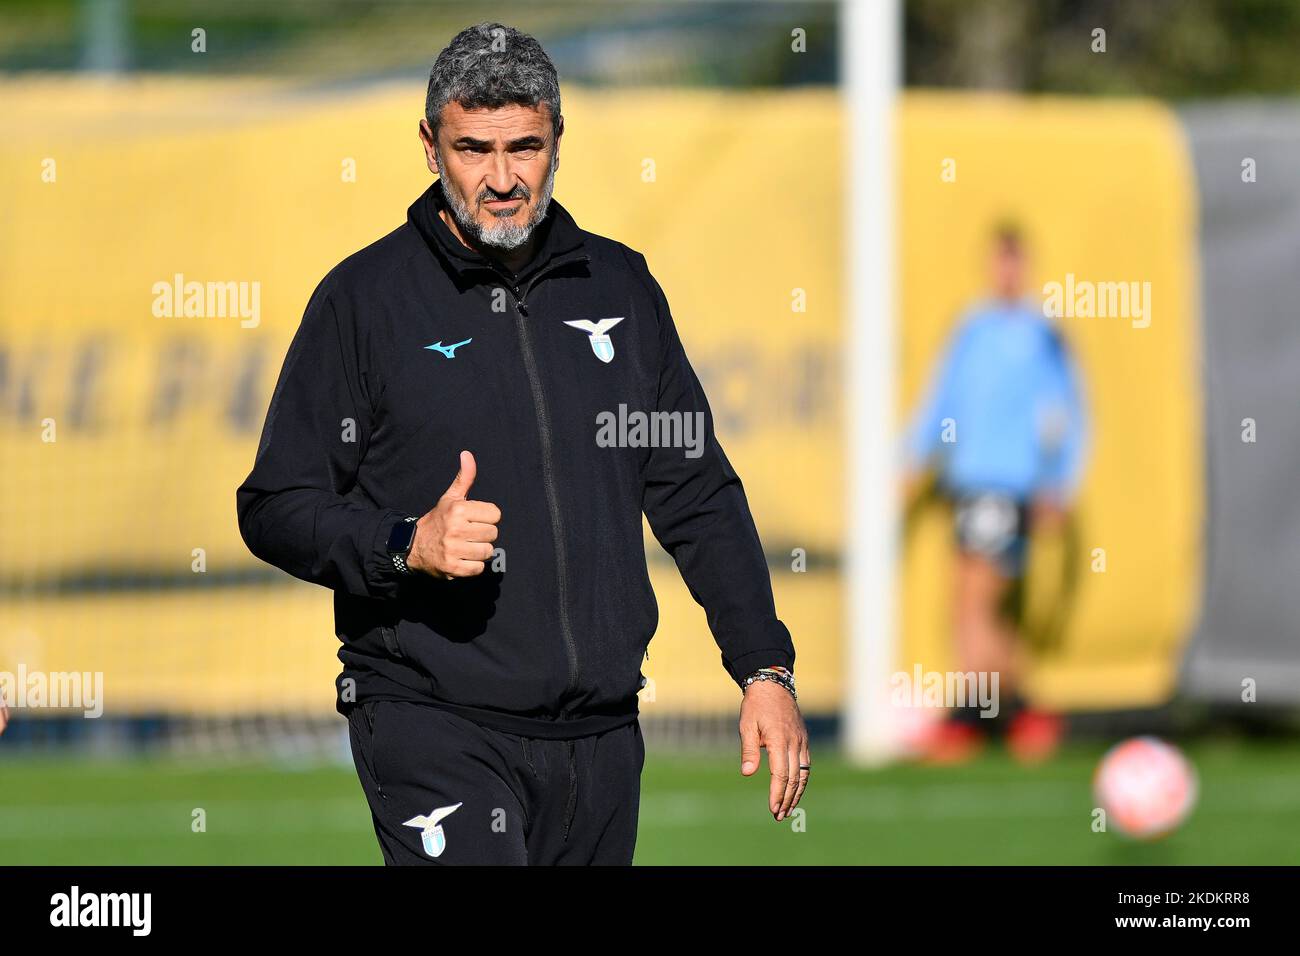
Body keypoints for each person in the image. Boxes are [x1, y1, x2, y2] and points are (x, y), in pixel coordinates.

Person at [236, 22, 806, 865]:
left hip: (603, 735)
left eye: (525, 147)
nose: (502, 179)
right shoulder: (364, 301)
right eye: (474, 149)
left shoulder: (621, 286)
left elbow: (696, 491)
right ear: (430, 147)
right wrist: (406, 546)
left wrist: (764, 667)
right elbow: (274, 506)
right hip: (430, 720)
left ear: (558, 144)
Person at [903, 224, 1088, 764]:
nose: (1005, 273)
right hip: (968, 483)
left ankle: (975, 716)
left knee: (974, 601)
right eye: (998, 262)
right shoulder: (973, 328)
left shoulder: (1042, 334)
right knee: (983, 604)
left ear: (1025, 267)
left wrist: (1059, 482)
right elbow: (944, 401)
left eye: (1014, 262)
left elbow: (1068, 414)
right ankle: (1020, 715)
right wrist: (911, 459)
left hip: (1009, 485)